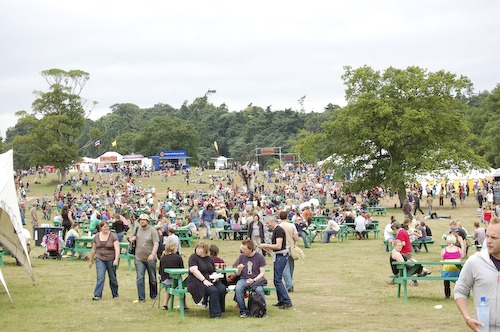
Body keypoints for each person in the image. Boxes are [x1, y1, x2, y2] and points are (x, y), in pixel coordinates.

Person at [455, 217, 500, 331]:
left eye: (494, 237)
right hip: (484, 328)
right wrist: (467, 318)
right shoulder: (475, 261)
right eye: (487, 236)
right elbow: (460, 291)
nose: (488, 241)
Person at [258, 214, 292, 309]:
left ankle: (286, 301)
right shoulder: (276, 230)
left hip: (281, 256)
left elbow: (278, 246)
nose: (267, 225)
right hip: (278, 255)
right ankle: (281, 300)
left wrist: (266, 245)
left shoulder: (279, 230)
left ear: (273, 221)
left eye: (268, 223)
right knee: (276, 279)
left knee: (277, 280)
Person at [187, 242, 227, 319]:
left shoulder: (209, 258)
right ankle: (215, 314)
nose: (197, 250)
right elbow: (193, 270)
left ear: (205, 250)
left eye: (200, 248)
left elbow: (213, 270)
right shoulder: (193, 257)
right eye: (197, 248)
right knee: (213, 290)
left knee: (222, 288)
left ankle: (221, 309)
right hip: (197, 280)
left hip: (210, 279)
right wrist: (204, 280)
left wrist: (215, 276)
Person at [129, 213, 159, 303]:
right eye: (141, 220)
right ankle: (141, 298)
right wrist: (132, 239)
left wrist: (153, 254)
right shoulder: (137, 229)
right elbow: (130, 238)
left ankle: (153, 295)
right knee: (140, 277)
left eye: (144, 220)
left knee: (153, 278)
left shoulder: (152, 230)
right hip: (139, 257)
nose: (142, 221)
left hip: (150, 258)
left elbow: (156, 243)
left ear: (147, 221)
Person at [235, 239, 267, 318]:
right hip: (244, 279)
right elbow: (237, 274)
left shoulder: (259, 257)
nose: (242, 251)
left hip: (256, 280)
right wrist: (239, 269)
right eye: (242, 248)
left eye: (244, 249)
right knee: (238, 288)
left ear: (250, 249)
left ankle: (263, 310)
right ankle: (243, 311)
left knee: (259, 290)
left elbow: (262, 273)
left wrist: (254, 280)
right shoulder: (241, 257)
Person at [88, 220, 120, 300]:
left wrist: (116, 259)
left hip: (111, 259)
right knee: (100, 277)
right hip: (100, 259)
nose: (106, 228)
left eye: (107, 226)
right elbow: (93, 250)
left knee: (112, 278)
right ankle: (97, 295)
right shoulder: (97, 236)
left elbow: (117, 248)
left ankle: (115, 294)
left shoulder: (113, 236)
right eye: (104, 226)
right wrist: (90, 261)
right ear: (101, 228)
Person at [159, 242, 187, 310]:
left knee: (171, 287)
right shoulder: (178, 258)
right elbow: (182, 270)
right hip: (175, 280)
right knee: (181, 286)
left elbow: (160, 271)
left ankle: (165, 304)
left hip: (165, 280)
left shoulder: (162, 258)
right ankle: (184, 305)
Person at [278, 211, 299, 293]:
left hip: (283, 248)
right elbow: (296, 238)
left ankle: (289, 285)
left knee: (285, 268)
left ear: (280, 217)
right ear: (287, 217)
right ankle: (290, 283)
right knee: (291, 266)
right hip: (291, 247)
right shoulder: (292, 225)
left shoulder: (279, 226)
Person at [441, 234, 462, 299]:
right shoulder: (459, 249)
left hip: (447, 272)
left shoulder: (444, 250)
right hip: (457, 271)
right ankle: (460, 293)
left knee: (445, 277)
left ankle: (447, 295)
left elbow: (442, 262)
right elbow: (460, 260)